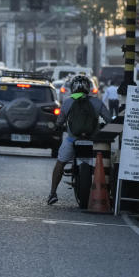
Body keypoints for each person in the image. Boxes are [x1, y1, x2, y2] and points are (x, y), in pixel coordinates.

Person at [48, 74, 110, 205]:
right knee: (103, 165)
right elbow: (109, 119)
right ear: (88, 88)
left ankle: (53, 193)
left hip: (72, 139)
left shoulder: (68, 102)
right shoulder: (97, 102)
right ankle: (109, 194)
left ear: (72, 88)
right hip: (93, 141)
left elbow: (60, 121)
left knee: (60, 163)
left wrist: (57, 127)